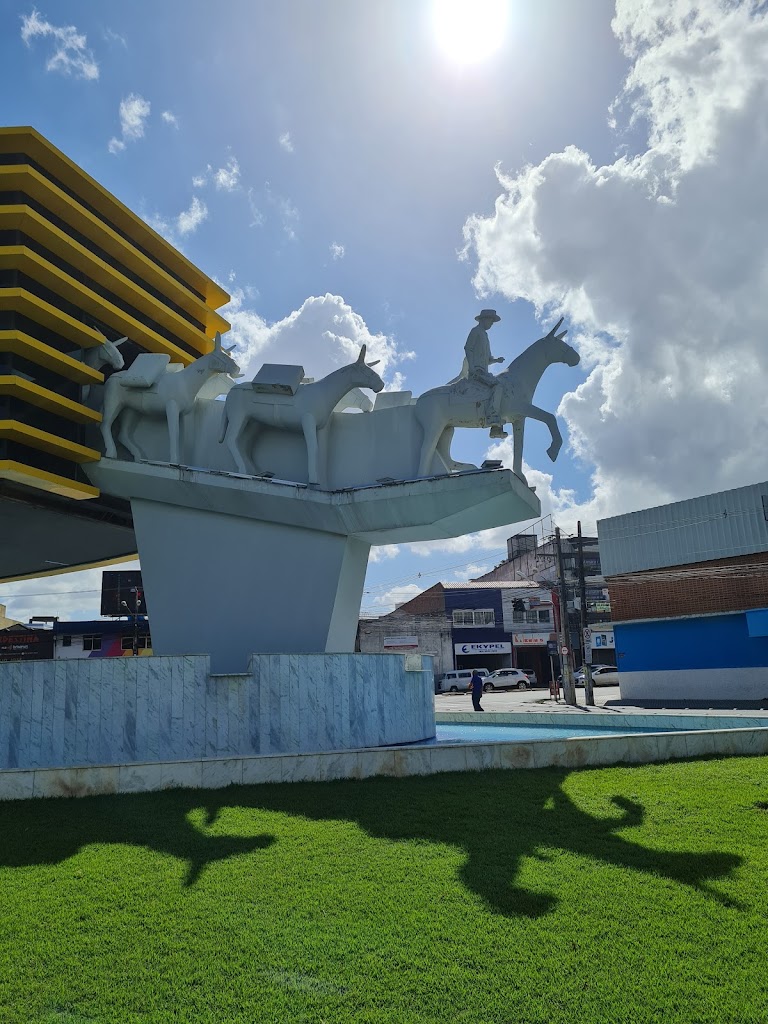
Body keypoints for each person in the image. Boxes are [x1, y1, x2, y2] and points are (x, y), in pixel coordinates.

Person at [464, 309, 507, 439]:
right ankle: (493, 419)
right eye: (491, 321)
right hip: (477, 372)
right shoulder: (475, 331)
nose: (491, 324)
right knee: (498, 386)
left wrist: (496, 360)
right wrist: (472, 368)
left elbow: (487, 359)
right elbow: (468, 348)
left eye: (493, 322)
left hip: (484, 371)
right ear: (484, 319)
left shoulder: (485, 335)